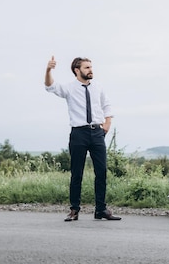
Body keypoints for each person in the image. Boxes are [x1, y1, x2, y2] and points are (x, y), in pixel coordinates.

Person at [45, 56, 121, 222]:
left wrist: (107, 123)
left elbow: (106, 105)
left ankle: (101, 209)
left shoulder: (98, 87)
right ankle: (74, 210)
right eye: (86, 68)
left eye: (91, 67)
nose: (90, 70)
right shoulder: (69, 88)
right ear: (77, 71)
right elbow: (50, 86)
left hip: (97, 133)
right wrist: (49, 70)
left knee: (101, 173)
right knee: (76, 173)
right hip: (79, 133)